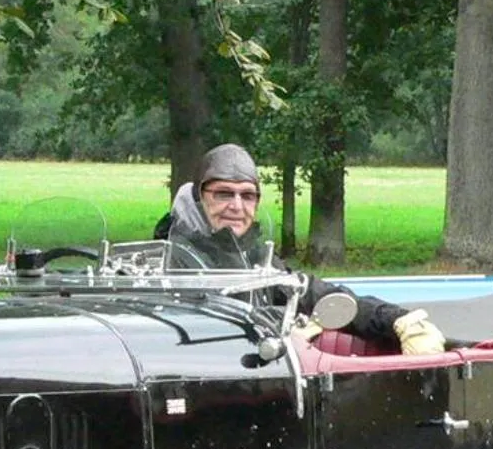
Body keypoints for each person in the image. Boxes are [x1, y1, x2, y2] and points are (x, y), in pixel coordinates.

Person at [156, 143, 445, 354]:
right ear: (198, 198)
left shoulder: (254, 258)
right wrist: (282, 327)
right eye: (223, 194)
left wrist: (398, 319)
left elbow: (312, 293)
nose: (236, 206)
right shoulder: (168, 259)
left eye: (247, 195)